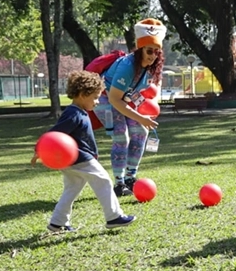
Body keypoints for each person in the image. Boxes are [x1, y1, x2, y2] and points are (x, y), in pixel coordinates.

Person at [31, 71, 135, 232]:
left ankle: (58, 223)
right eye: (94, 97)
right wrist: (40, 148)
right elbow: (55, 133)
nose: (97, 102)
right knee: (104, 181)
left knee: (71, 189)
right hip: (81, 159)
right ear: (81, 94)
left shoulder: (78, 112)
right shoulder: (73, 114)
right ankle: (114, 216)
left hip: (71, 162)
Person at [95, 18, 164, 197]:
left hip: (123, 100)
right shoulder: (127, 66)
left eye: (157, 52)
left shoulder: (149, 68)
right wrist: (141, 117)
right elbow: (114, 99)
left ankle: (130, 178)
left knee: (141, 131)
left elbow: (144, 92)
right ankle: (119, 183)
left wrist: (145, 113)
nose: (153, 56)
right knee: (121, 137)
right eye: (149, 51)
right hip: (105, 99)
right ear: (140, 49)